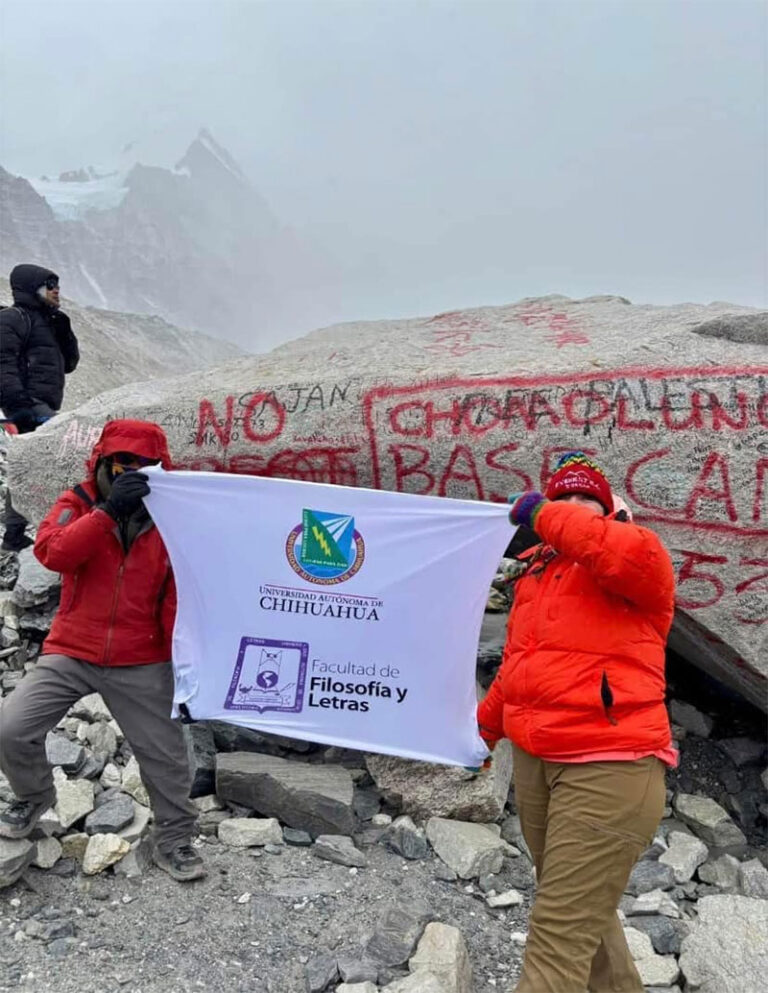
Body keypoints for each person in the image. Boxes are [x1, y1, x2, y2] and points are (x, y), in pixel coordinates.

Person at [477, 451, 676, 993]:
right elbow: (519, 668)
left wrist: (544, 513)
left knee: (557, 938)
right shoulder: (538, 573)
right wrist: (481, 733)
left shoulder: (637, 553)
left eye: (586, 496)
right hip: (537, 764)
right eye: (563, 495)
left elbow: (609, 547)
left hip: (610, 768)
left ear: (608, 506)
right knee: (583, 913)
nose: (574, 504)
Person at [0, 419, 203, 882]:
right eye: (122, 462)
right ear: (102, 462)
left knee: (167, 757)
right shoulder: (77, 502)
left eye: (145, 464)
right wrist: (108, 512)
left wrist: (183, 658)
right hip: (72, 649)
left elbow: (185, 588)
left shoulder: (174, 518)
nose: (132, 470)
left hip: (142, 655)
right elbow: (53, 553)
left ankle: (173, 838)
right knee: (11, 729)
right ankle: (34, 798)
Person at [0, 264, 79, 551]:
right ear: (32, 289)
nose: (57, 290)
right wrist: (18, 404)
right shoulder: (13, 318)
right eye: (50, 285)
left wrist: (64, 329)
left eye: (57, 285)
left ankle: (15, 533)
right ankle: (45, 529)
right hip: (27, 406)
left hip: (41, 404)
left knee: (30, 464)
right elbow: (3, 362)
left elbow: (69, 364)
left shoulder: (49, 323)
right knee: (60, 455)